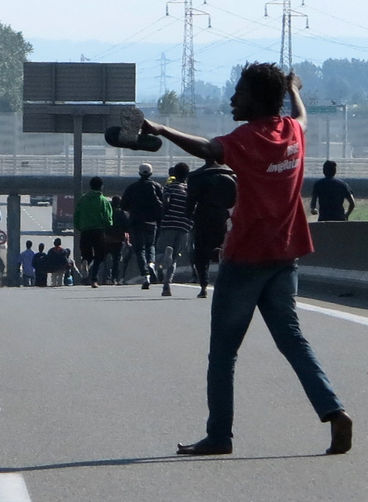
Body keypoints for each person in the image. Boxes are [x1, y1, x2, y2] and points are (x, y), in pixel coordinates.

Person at [142, 63, 351, 455]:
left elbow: (208, 149)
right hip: (285, 255)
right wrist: (294, 90)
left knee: (223, 351)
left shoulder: (245, 138)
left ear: (256, 98)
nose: (233, 98)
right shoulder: (291, 132)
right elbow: (302, 117)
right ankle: (334, 411)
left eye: (239, 92)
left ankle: (220, 435)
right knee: (293, 341)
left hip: (245, 259)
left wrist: (161, 129)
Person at [186, 159, 237, 298]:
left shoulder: (197, 176)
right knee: (226, 250)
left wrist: (188, 215)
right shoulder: (231, 176)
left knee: (201, 252)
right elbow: (235, 200)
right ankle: (227, 282)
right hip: (223, 217)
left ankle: (203, 285)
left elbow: (190, 201)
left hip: (203, 216)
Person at [121, 162, 163, 289]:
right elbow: (162, 204)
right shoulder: (157, 186)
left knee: (140, 250)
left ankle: (146, 276)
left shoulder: (132, 187)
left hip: (136, 222)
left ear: (139, 173)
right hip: (152, 222)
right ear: (151, 173)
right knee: (151, 246)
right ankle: (151, 263)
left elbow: (123, 205)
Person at [155, 163, 193, 297]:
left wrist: (163, 215)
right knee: (176, 258)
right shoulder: (190, 189)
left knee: (158, 252)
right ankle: (167, 284)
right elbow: (192, 209)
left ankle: (164, 259)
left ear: (174, 174)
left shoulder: (169, 187)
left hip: (169, 224)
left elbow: (165, 203)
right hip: (184, 226)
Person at [74, 176, 113, 288]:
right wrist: (107, 225)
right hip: (98, 230)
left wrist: (79, 226)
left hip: (85, 230)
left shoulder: (82, 199)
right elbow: (108, 218)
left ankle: (85, 261)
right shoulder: (103, 201)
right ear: (101, 187)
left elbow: (76, 216)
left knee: (87, 253)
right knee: (100, 255)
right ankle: (94, 279)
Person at [104, 195, 129, 285]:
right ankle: (114, 278)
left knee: (104, 259)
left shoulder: (107, 212)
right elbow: (127, 227)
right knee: (116, 261)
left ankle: (105, 277)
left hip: (106, 239)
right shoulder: (122, 213)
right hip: (118, 240)